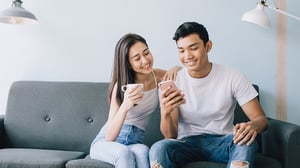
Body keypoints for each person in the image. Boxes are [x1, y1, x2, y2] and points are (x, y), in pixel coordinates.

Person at [149, 22, 268, 168]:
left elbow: (261, 120)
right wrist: (166, 112)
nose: (187, 56)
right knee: (159, 148)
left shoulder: (232, 76)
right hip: (186, 143)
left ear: (208, 46)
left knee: (246, 142)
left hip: (223, 141)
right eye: (181, 50)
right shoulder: (174, 81)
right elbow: (170, 136)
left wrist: (251, 126)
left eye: (193, 48)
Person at [90, 33, 180, 168]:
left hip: (135, 140)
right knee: (123, 153)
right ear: (128, 63)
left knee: (144, 152)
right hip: (106, 142)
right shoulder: (121, 86)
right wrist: (125, 106)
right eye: (137, 58)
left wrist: (176, 68)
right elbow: (109, 137)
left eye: (146, 53)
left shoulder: (158, 76)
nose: (145, 60)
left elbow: (179, 73)